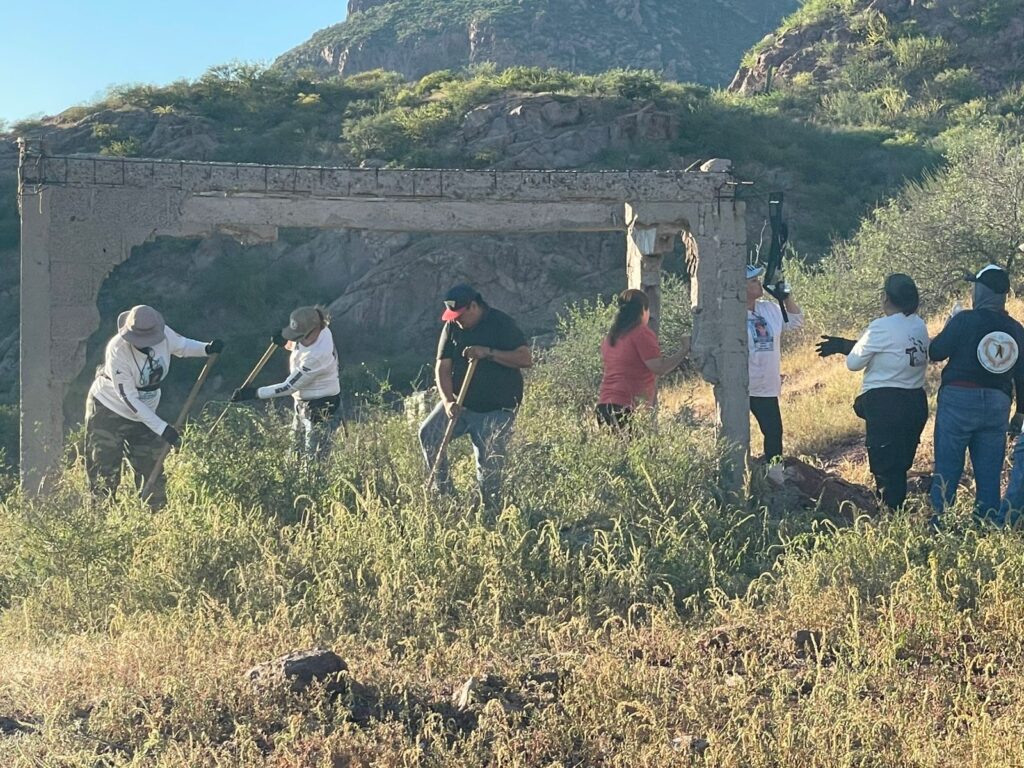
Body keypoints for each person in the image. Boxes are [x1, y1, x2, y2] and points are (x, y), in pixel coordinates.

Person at [85, 304, 223, 505]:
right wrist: (162, 428)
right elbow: (129, 398)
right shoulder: (117, 350)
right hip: (110, 409)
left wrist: (206, 348)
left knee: (152, 467)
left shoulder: (163, 333)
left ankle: (154, 517)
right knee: (105, 471)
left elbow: (182, 346)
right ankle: (101, 523)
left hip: (146, 411)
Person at [816, 274, 929, 509]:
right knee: (899, 465)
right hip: (915, 402)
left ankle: (890, 517)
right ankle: (897, 510)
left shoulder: (880, 326)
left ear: (885, 297)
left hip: (886, 405)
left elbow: (854, 363)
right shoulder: (918, 324)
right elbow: (893, 349)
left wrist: (848, 347)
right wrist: (847, 344)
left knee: (885, 468)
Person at [419, 284, 532, 509]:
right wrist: (448, 401)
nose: (457, 320)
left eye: (460, 315)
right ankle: (445, 497)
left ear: (473, 306)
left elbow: (525, 359)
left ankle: (489, 512)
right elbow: (442, 367)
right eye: (453, 317)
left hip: (497, 409)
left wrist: (488, 353)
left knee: (489, 467)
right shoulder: (452, 327)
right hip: (461, 405)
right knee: (429, 433)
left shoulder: (502, 323)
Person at [928, 264, 1024, 524]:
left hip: (958, 402)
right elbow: (1022, 376)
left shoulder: (964, 320)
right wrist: (1020, 413)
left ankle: (939, 525)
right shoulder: (1016, 330)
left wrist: (949, 324)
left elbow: (934, 352)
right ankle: (986, 527)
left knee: (947, 470)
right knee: (989, 475)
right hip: (997, 406)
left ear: (980, 290)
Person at [231, 306, 342, 466]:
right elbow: (300, 346)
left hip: (320, 408)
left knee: (313, 464)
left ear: (314, 329)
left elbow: (288, 387)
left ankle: (310, 488)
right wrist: (286, 343)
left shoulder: (317, 357)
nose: (297, 339)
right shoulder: (321, 331)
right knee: (293, 457)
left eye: (299, 336)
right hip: (302, 404)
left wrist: (254, 393)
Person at [596, 288, 690, 430]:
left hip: (604, 406)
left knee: (616, 452)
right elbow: (659, 367)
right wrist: (684, 350)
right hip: (626, 407)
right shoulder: (641, 332)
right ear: (643, 310)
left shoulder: (611, 337)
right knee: (635, 450)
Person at [746, 264, 804, 472]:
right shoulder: (730, 316)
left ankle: (775, 475)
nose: (758, 283)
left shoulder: (769, 309)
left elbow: (795, 322)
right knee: (739, 435)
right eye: (752, 281)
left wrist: (785, 296)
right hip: (742, 386)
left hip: (766, 385)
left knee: (773, 432)